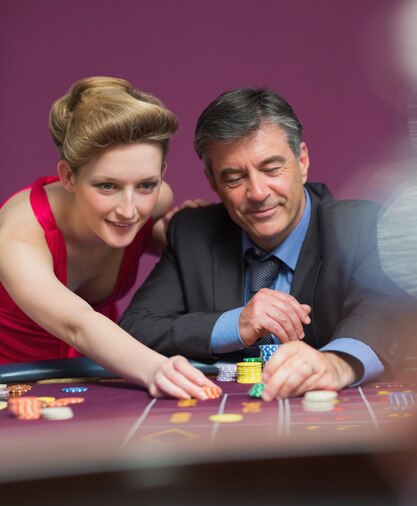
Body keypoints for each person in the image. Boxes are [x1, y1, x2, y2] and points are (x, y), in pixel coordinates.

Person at [119, 87, 413, 400]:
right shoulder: (193, 233)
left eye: (271, 169)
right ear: (212, 181)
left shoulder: (361, 227)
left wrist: (335, 364)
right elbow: (136, 328)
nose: (258, 192)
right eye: (234, 178)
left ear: (302, 161)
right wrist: (235, 324)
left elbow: (388, 311)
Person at [0, 76, 219, 400]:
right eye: (107, 186)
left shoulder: (155, 202)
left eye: (146, 184)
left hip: (93, 373)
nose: (129, 210)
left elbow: (152, 237)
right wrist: (156, 368)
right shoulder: (18, 234)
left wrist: (185, 232)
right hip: (10, 387)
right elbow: (77, 324)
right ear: (69, 176)